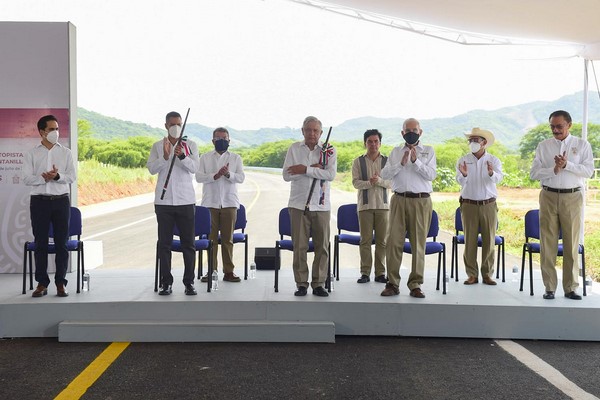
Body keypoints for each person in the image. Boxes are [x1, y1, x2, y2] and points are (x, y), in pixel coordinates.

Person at [530, 110, 594, 300]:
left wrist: (568, 166)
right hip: (548, 195)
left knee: (571, 243)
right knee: (547, 243)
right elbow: (534, 174)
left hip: (572, 197)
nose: (555, 130)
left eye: (559, 126)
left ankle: (570, 288)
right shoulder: (544, 146)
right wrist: (554, 169)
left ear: (569, 125)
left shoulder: (581, 145)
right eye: (552, 126)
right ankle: (549, 287)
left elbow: (589, 171)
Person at [380, 118, 436, 298]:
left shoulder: (428, 151)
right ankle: (392, 283)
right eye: (408, 130)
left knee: (418, 244)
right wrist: (401, 163)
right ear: (402, 133)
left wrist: (416, 161)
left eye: (415, 129)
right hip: (399, 199)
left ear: (420, 132)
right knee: (393, 242)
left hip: (421, 201)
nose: (411, 132)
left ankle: (415, 284)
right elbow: (385, 174)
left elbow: (431, 175)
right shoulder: (396, 152)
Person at [23, 115, 77, 298]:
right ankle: (41, 283)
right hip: (39, 202)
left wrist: (56, 176)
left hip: (61, 201)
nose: (56, 132)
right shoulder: (32, 153)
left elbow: (71, 177)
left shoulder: (66, 152)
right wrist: (43, 178)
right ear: (42, 132)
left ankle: (61, 283)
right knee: (41, 244)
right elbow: (26, 178)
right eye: (51, 129)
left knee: (62, 244)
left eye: (57, 128)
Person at [282, 116, 337, 297]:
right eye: (308, 130)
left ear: (321, 133)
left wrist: (304, 169)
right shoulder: (294, 148)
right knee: (300, 246)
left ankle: (319, 283)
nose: (311, 133)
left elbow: (329, 175)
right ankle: (301, 283)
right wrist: (312, 169)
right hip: (298, 204)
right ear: (302, 131)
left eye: (315, 130)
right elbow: (287, 175)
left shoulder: (328, 150)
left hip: (321, 206)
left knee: (322, 246)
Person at [147, 111, 200, 296]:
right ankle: (166, 283)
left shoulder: (191, 145)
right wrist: (165, 157)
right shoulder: (157, 146)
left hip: (186, 201)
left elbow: (195, 169)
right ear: (166, 126)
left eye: (179, 124)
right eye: (172, 124)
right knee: (165, 244)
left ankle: (189, 283)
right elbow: (151, 169)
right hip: (164, 202)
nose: (176, 127)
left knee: (188, 244)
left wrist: (183, 157)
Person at [196, 127, 245, 283]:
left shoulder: (236, 158)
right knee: (210, 240)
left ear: (229, 140)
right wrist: (215, 175)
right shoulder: (204, 157)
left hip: (229, 203)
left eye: (224, 138)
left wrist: (228, 174)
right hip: (210, 203)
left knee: (227, 239)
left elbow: (241, 178)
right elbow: (198, 177)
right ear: (213, 141)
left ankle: (229, 272)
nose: (222, 141)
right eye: (218, 139)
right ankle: (211, 271)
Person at [456, 128, 503, 286]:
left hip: (488, 204)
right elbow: (459, 181)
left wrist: (491, 173)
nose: (473, 143)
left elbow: (498, 179)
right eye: (471, 140)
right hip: (469, 204)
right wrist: (463, 174)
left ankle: (487, 274)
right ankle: (472, 274)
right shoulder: (463, 160)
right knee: (470, 241)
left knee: (489, 241)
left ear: (484, 142)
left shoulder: (493, 160)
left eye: (476, 140)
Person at [351, 129, 391, 284]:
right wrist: (369, 183)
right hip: (365, 206)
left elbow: (393, 183)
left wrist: (379, 181)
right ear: (365, 143)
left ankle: (380, 273)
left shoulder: (387, 161)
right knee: (365, 240)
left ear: (380, 143)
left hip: (383, 206)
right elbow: (355, 183)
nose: (373, 144)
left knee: (382, 241)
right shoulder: (358, 161)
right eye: (370, 141)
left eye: (376, 141)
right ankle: (365, 272)